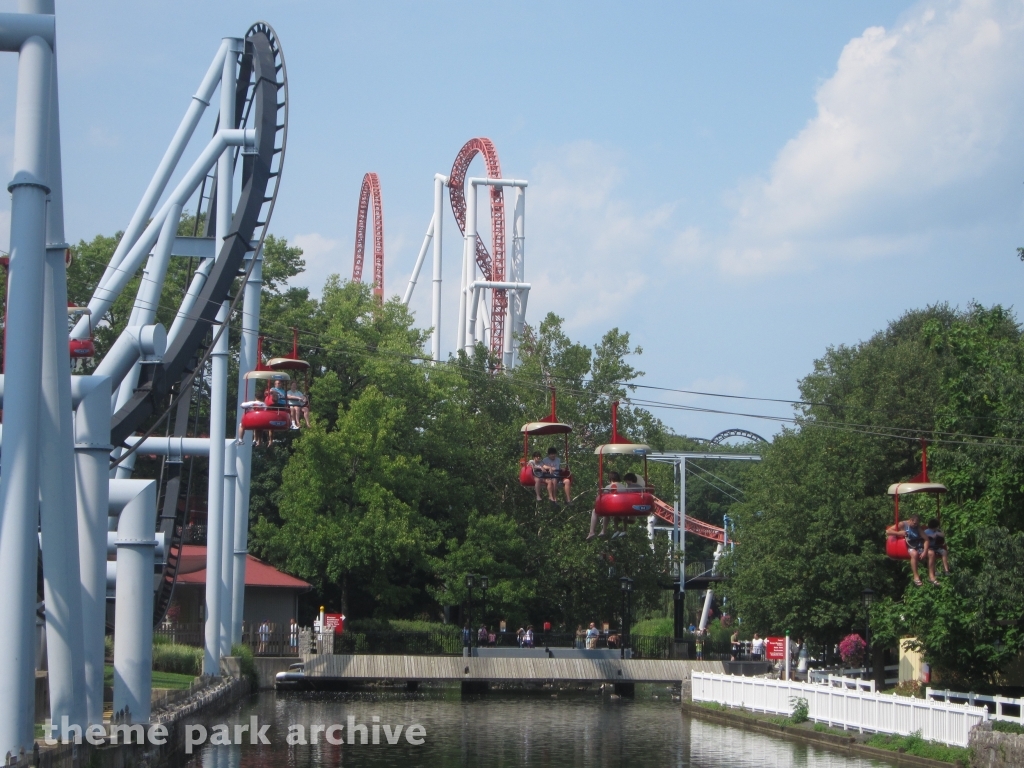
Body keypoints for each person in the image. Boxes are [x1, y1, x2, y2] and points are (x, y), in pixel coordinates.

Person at [886, 513, 927, 586]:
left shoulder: (917, 527)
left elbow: (926, 538)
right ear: (910, 520)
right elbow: (888, 531)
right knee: (914, 554)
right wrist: (899, 533)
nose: (915, 525)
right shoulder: (902, 524)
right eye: (914, 523)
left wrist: (925, 551)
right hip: (907, 545)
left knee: (930, 553)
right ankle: (916, 577)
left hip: (917, 545)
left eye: (917, 524)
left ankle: (933, 573)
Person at [587, 471, 622, 541]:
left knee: (595, 511)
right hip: (622, 507)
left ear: (610, 479)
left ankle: (592, 531)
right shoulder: (623, 487)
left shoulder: (608, 487)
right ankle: (603, 530)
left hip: (612, 507)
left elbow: (604, 497)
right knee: (606, 513)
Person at [924, 517, 950, 583]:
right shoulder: (926, 531)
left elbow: (943, 535)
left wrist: (937, 533)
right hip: (929, 547)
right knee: (932, 555)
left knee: (944, 552)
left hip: (936, 547)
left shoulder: (937, 531)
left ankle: (946, 569)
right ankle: (934, 571)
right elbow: (925, 537)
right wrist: (932, 536)